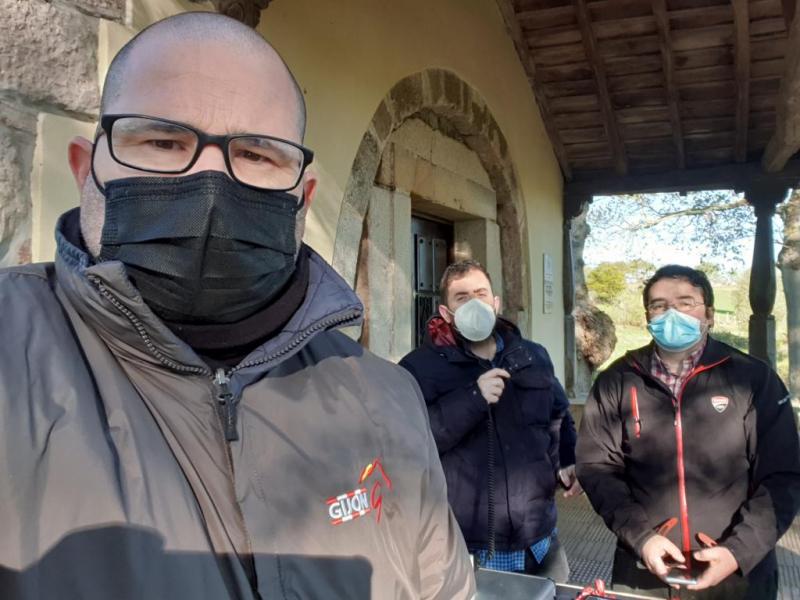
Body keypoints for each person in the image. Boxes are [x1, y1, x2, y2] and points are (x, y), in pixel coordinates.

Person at [0, 12, 474, 600]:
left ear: (302, 199)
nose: (209, 181)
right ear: (85, 170)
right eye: (161, 142)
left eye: (256, 154)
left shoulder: (387, 397)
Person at [576, 265, 800, 599]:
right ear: (647, 316)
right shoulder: (616, 381)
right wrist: (642, 538)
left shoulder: (754, 379)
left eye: (685, 303)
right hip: (644, 565)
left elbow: (782, 475)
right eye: (659, 305)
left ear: (709, 314)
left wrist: (738, 552)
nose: (672, 314)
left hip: (738, 571)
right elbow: (597, 468)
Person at [399, 260, 579, 582]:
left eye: (481, 294)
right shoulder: (417, 369)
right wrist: (472, 398)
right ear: (445, 313)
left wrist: (567, 458)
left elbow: (559, 415)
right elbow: (410, 444)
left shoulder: (532, 355)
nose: (474, 304)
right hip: (470, 549)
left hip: (540, 540)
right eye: (462, 298)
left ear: (496, 303)